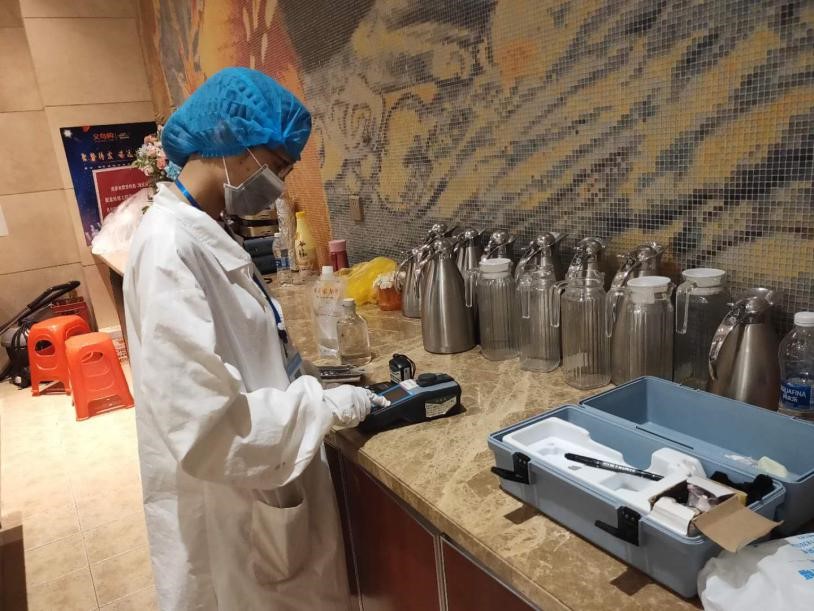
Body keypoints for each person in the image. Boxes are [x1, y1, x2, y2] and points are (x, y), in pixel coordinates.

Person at [124, 67, 385, 610]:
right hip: (236, 511)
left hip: (264, 488)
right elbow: (207, 429)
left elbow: (247, 348)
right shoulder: (169, 248)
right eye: (278, 165)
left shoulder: (201, 229)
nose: (280, 183)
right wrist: (322, 408)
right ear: (233, 143)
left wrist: (311, 381)